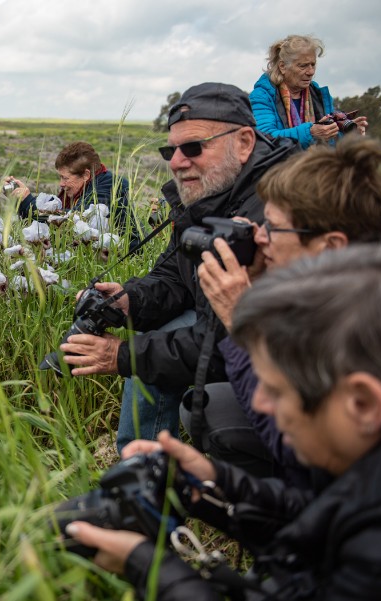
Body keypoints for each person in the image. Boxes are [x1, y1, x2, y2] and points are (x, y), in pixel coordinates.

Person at [65, 244, 381, 600]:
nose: (258, 401)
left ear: (364, 404)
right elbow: (315, 520)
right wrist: (216, 486)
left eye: (276, 390)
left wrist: (151, 570)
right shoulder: (374, 467)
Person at [58, 82, 296, 453]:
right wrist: (127, 300)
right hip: (223, 331)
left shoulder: (276, 212)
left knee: (152, 359)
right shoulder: (211, 191)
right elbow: (176, 275)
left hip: (287, 367)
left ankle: (194, 481)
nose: (177, 161)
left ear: (245, 142)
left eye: (194, 148)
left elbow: (228, 342)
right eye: (171, 149)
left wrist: (122, 355)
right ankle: (141, 474)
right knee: (154, 340)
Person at [183, 135, 381, 484]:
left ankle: (294, 514)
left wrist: (239, 315)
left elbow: (295, 441)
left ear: (331, 245)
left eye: (273, 226)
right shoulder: (358, 276)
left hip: (372, 488)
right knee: (216, 403)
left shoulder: (377, 318)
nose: (259, 236)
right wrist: (259, 289)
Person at [5, 141, 141, 245]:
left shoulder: (107, 189)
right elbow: (57, 215)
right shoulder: (90, 185)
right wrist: (22, 202)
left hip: (126, 258)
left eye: (65, 177)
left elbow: (71, 222)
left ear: (86, 175)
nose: (61, 184)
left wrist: (28, 202)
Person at [249, 34, 368, 150]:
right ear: (282, 67)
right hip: (281, 168)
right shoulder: (262, 96)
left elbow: (330, 141)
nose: (311, 72)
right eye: (303, 66)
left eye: (313, 64)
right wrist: (310, 133)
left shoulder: (318, 94)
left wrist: (348, 134)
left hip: (316, 167)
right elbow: (265, 138)